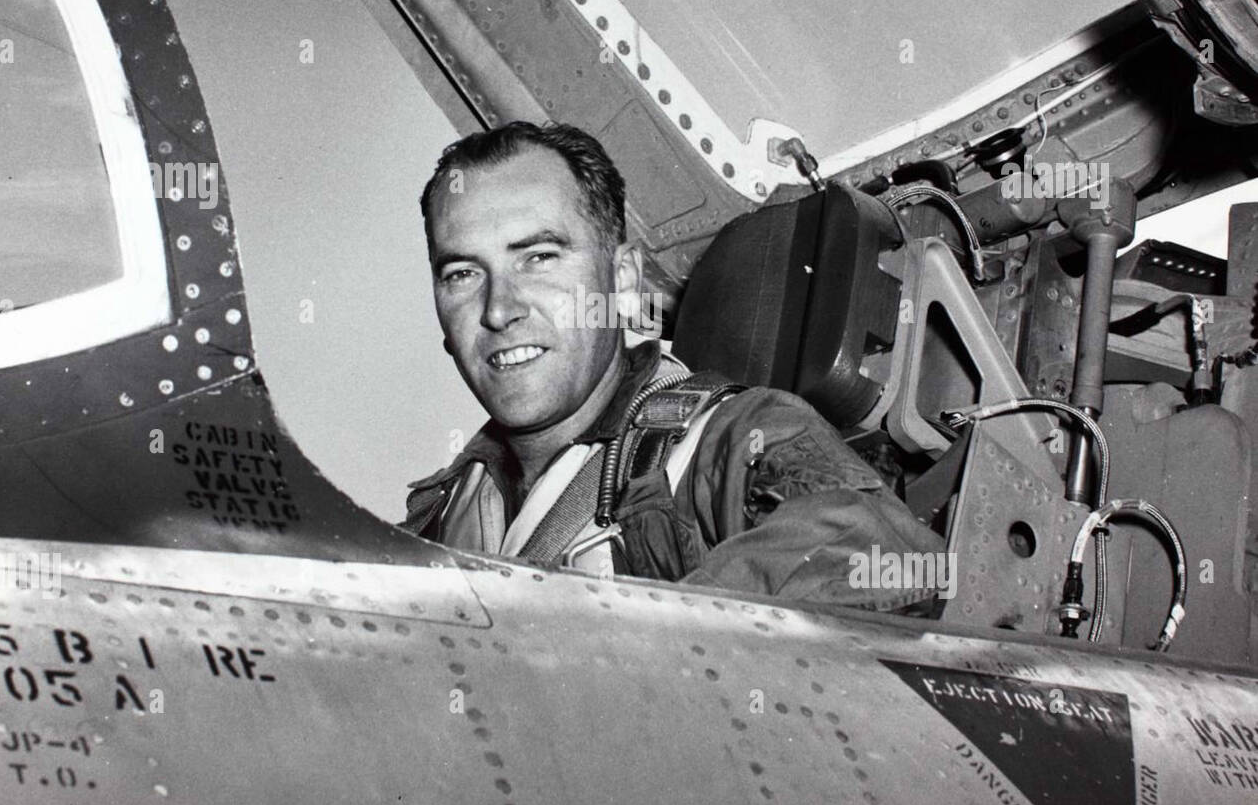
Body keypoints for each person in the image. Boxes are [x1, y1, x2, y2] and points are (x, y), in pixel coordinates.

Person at [400, 121, 946, 613]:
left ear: (624, 281)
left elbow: (879, 554)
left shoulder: (728, 440)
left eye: (539, 258)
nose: (499, 310)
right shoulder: (437, 518)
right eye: (462, 274)